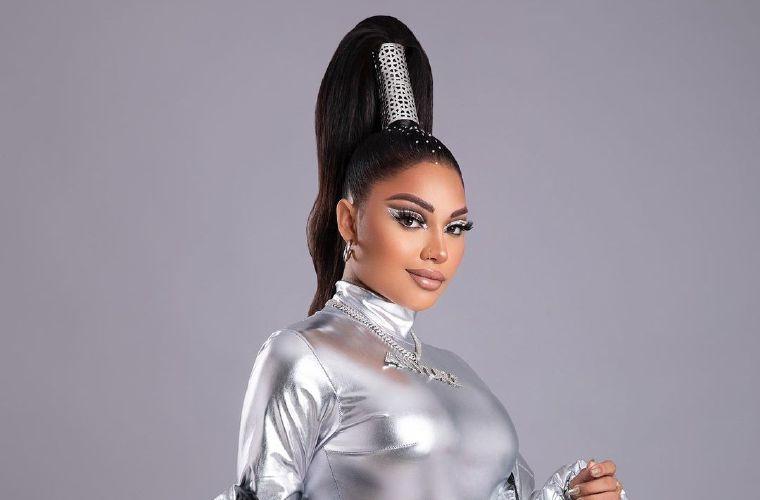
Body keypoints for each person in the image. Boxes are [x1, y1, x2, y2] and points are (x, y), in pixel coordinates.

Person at [214, 15, 629, 500]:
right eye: (411, 219)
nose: (438, 250)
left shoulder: (459, 373)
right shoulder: (304, 358)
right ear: (349, 221)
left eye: (456, 227)